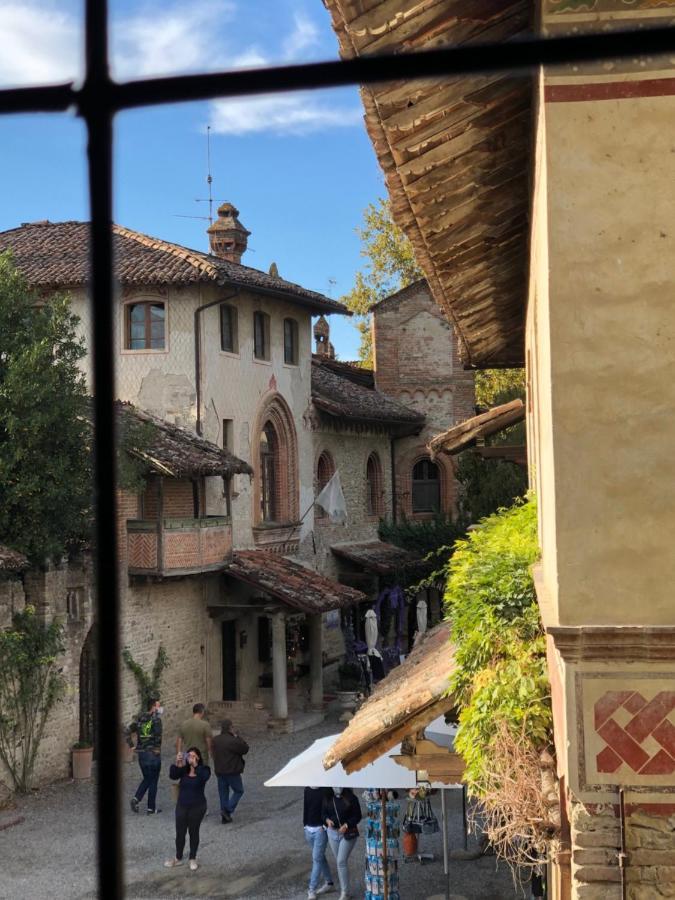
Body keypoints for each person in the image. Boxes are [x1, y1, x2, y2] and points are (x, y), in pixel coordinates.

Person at [164, 746, 211, 871]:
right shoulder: (184, 770)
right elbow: (173, 775)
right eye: (188, 755)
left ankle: (192, 858)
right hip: (182, 805)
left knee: (193, 832)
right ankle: (178, 858)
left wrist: (195, 765)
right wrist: (178, 762)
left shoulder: (204, 769)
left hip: (197, 806)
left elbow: (205, 777)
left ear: (198, 758)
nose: (190, 758)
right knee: (180, 832)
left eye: (193, 756)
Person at [322, 787, 362, 900]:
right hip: (332, 833)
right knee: (340, 863)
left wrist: (347, 825)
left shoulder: (352, 798)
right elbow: (323, 813)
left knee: (341, 861)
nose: (337, 787)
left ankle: (345, 893)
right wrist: (327, 820)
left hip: (348, 833)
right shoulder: (327, 797)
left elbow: (357, 816)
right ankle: (345, 890)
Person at [129, 695, 163, 815]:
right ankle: (144, 804)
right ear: (153, 707)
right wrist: (157, 749)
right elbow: (158, 736)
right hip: (152, 754)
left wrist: (131, 745)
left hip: (142, 754)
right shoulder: (156, 719)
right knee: (153, 780)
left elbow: (127, 731)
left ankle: (144, 804)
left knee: (148, 779)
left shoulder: (139, 718)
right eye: (158, 706)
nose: (160, 708)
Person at [212, 718, 249, 823]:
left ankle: (225, 816)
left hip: (220, 771)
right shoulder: (233, 741)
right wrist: (237, 737)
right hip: (232, 771)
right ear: (230, 728)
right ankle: (228, 809)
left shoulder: (216, 740)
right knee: (239, 790)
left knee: (223, 793)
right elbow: (245, 749)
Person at [303, 786, 335, 899]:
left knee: (316, 858)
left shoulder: (326, 790)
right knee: (319, 857)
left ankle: (311, 889)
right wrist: (305, 825)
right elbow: (306, 807)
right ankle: (329, 883)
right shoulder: (307, 789)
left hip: (320, 830)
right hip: (309, 829)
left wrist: (325, 826)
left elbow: (331, 809)